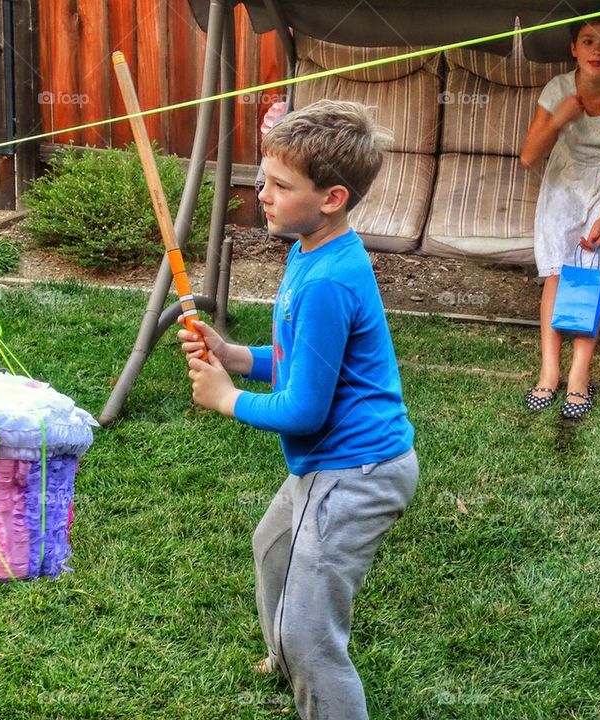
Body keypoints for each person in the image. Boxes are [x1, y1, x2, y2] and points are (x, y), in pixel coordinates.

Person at [177, 99, 418, 720]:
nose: (262, 193)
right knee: (272, 545)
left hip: (353, 472)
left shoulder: (327, 282)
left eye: (281, 186)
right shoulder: (312, 251)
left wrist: (226, 399)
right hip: (342, 463)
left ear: (332, 198)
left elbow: (305, 410)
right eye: (265, 178)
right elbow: (305, 359)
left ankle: (300, 655)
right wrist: (236, 357)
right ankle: (285, 655)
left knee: (312, 637)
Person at [520, 15, 600, 419]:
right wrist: (561, 116)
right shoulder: (558, 89)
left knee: (588, 268)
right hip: (565, 177)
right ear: (573, 49)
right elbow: (528, 156)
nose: (598, 50)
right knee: (557, 270)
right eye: (588, 41)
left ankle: (579, 375)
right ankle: (549, 371)